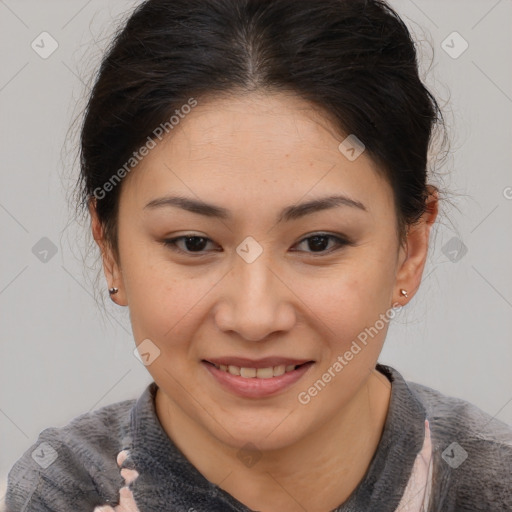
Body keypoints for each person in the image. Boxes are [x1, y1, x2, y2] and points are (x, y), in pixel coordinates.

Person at [5, 0, 512, 511]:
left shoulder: (493, 486)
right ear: (109, 250)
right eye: (193, 242)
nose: (254, 318)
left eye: (318, 242)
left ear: (411, 249)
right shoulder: (62, 492)